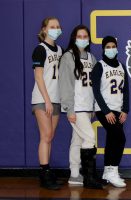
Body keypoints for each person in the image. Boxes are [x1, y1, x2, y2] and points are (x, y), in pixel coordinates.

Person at [59, 25, 102, 189]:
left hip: (87, 107)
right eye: (80, 36)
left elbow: (95, 85)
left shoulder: (91, 57)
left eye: (85, 36)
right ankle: (89, 176)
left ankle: (75, 174)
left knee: (78, 140)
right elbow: (65, 85)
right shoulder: (68, 57)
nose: (83, 39)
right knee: (90, 137)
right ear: (73, 38)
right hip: (75, 107)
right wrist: (69, 108)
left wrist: (94, 106)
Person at [91, 36, 129, 188]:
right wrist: (106, 111)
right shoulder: (99, 66)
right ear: (103, 49)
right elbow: (96, 91)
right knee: (120, 138)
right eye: (108, 46)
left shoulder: (121, 66)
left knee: (113, 138)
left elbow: (126, 90)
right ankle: (112, 170)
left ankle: (109, 171)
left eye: (113, 46)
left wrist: (125, 110)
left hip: (118, 109)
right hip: (104, 110)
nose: (111, 49)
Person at [31, 17, 63, 190]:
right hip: (43, 99)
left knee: (50, 137)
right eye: (52, 26)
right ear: (44, 29)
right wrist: (47, 100)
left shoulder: (59, 50)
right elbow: (38, 77)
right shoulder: (40, 49)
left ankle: (47, 172)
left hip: (56, 99)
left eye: (58, 26)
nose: (56, 29)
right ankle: (44, 174)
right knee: (45, 136)